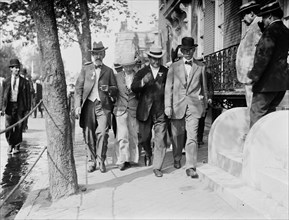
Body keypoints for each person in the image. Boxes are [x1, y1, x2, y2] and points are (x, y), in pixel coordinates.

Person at [165, 37, 209, 178]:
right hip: (177, 105)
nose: (187, 53)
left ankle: (191, 166)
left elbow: (204, 87)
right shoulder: (173, 67)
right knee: (177, 136)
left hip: (194, 106)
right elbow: (168, 88)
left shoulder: (201, 67)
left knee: (192, 137)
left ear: (194, 50)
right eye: (184, 50)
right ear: (181, 51)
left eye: (190, 50)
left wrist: (204, 105)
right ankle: (177, 158)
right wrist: (167, 106)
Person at [74, 41, 118, 173]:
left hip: (103, 106)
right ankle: (91, 161)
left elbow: (115, 89)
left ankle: (101, 159)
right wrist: (77, 105)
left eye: (100, 54)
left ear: (104, 54)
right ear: (93, 56)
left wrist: (109, 89)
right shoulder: (86, 69)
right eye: (95, 54)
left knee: (103, 133)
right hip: (88, 105)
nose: (98, 56)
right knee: (88, 134)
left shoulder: (109, 71)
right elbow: (78, 88)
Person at [247, 1, 289, 127]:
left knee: (257, 115)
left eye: (264, 17)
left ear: (270, 16)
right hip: (281, 84)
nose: (263, 20)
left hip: (266, 84)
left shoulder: (270, 32)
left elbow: (263, 57)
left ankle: (253, 145)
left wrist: (253, 76)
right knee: (269, 118)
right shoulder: (286, 31)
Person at [131, 46, 168, 177]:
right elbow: (133, 88)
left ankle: (157, 166)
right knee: (145, 138)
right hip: (145, 110)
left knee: (160, 140)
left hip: (161, 111)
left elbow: (170, 90)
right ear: (149, 58)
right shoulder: (142, 72)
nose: (156, 61)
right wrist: (142, 82)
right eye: (154, 58)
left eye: (159, 59)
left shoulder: (166, 72)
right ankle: (148, 153)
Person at [114, 53, 139, 171]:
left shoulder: (138, 76)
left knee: (133, 134)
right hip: (121, 108)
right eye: (126, 66)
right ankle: (122, 160)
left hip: (134, 108)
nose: (128, 68)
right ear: (123, 66)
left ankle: (132, 158)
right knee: (122, 135)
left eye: (130, 66)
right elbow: (114, 91)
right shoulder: (117, 76)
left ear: (133, 65)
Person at [236, 1, 262, 109]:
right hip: (249, 77)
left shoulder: (259, 25)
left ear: (251, 13)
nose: (242, 19)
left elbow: (262, 50)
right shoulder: (253, 26)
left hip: (253, 76)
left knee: (254, 109)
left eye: (243, 15)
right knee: (251, 107)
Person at [0, 59, 30, 154]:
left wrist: (28, 109)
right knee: (8, 127)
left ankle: (17, 145)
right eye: (15, 68)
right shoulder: (6, 81)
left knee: (19, 127)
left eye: (18, 68)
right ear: (11, 69)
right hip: (9, 106)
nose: (17, 70)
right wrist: (1, 108)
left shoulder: (24, 82)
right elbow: (2, 95)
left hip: (20, 106)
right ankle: (10, 144)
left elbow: (28, 96)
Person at [196, 58, 214, 146]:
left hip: (204, 100)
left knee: (202, 120)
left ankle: (199, 139)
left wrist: (210, 97)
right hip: (195, 100)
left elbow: (210, 86)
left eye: (203, 64)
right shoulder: (194, 73)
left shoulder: (208, 74)